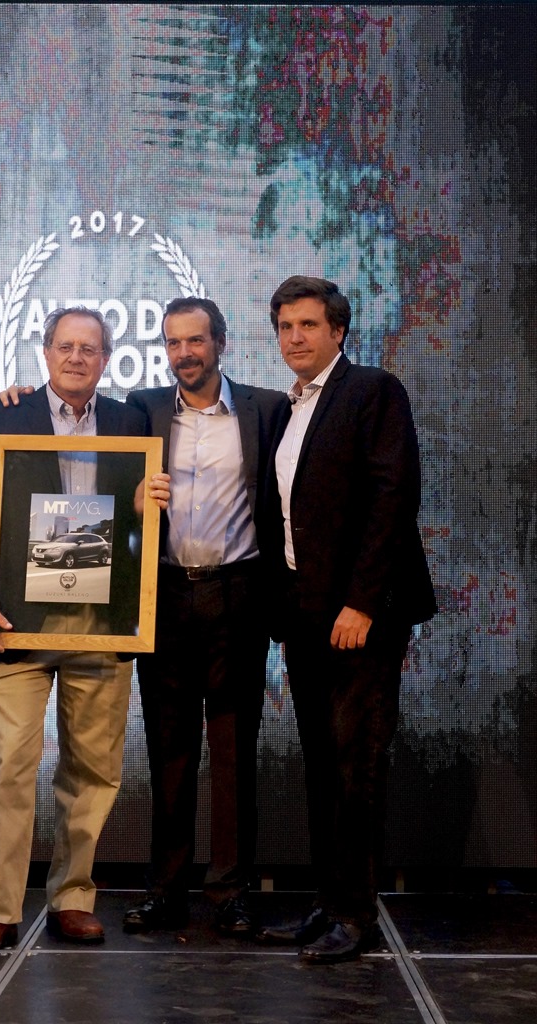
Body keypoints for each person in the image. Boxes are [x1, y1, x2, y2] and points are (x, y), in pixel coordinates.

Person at [0, 305, 168, 954]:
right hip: (16, 623)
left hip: (103, 625)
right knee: (7, 769)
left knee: (93, 772)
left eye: (89, 349)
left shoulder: (132, 422)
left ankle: (73, 899)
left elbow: (135, 525)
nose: (77, 358)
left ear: (107, 360)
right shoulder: (4, 414)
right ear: (45, 352)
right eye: (66, 346)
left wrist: (146, 507)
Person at [256, 276, 437, 963]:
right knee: (323, 767)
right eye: (285, 326)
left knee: (355, 765)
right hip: (305, 615)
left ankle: (356, 916)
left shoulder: (372, 390)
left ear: (338, 331)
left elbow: (393, 497)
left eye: (307, 324)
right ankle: (328, 904)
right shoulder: (288, 408)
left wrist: (361, 601)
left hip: (361, 616)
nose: (294, 337)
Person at [122, 297, 288, 935]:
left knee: (233, 748)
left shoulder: (266, 409)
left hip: (239, 594)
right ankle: (166, 890)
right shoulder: (141, 410)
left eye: (196, 340)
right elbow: (86, 447)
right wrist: (20, 396)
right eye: (173, 342)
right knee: (169, 748)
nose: (184, 353)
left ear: (220, 342)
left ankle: (229, 892)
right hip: (164, 596)